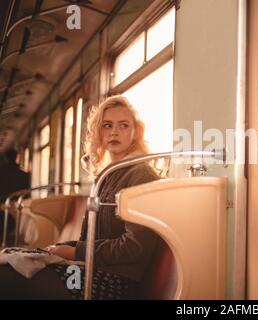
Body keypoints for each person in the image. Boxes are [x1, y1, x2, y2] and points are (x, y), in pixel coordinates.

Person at [0, 95, 160, 299]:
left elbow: (135, 248)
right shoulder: (106, 176)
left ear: (135, 132)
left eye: (124, 125)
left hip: (113, 281)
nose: (114, 132)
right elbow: (94, 239)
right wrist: (64, 248)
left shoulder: (140, 175)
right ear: (98, 132)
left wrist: (74, 252)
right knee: (13, 262)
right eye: (107, 125)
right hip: (92, 270)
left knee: (10, 278)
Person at [0, 148, 31, 242]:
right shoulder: (24, 175)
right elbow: (26, 193)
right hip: (19, 204)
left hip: (1, 204)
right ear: (16, 157)